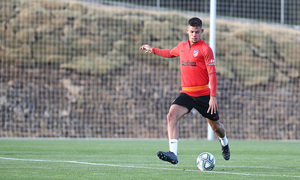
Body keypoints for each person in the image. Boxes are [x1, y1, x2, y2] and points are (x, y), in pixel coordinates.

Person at [139, 17, 230, 165]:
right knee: (171, 115)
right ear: (187, 31)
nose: (194, 35)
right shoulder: (182, 46)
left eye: (197, 32)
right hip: (187, 93)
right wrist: (152, 50)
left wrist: (213, 96)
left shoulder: (206, 49)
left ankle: (224, 142)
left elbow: (212, 74)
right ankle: (173, 154)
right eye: (192, 32)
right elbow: (169, 52)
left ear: (202, 31)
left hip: (203, 95)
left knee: (216, 127)